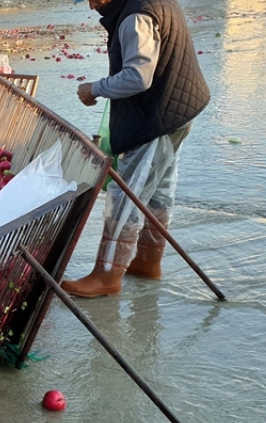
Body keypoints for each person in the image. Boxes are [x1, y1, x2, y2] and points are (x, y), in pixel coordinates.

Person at [59, 0, 210, 297]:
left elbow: (138, 77)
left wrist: (95, 88)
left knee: (126, 194)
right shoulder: (151, 3)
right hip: (178, 111)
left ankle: (106, 275)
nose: (91, 6)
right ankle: (146, 263)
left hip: (156, 116)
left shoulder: (135, 17)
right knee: (157, 191)